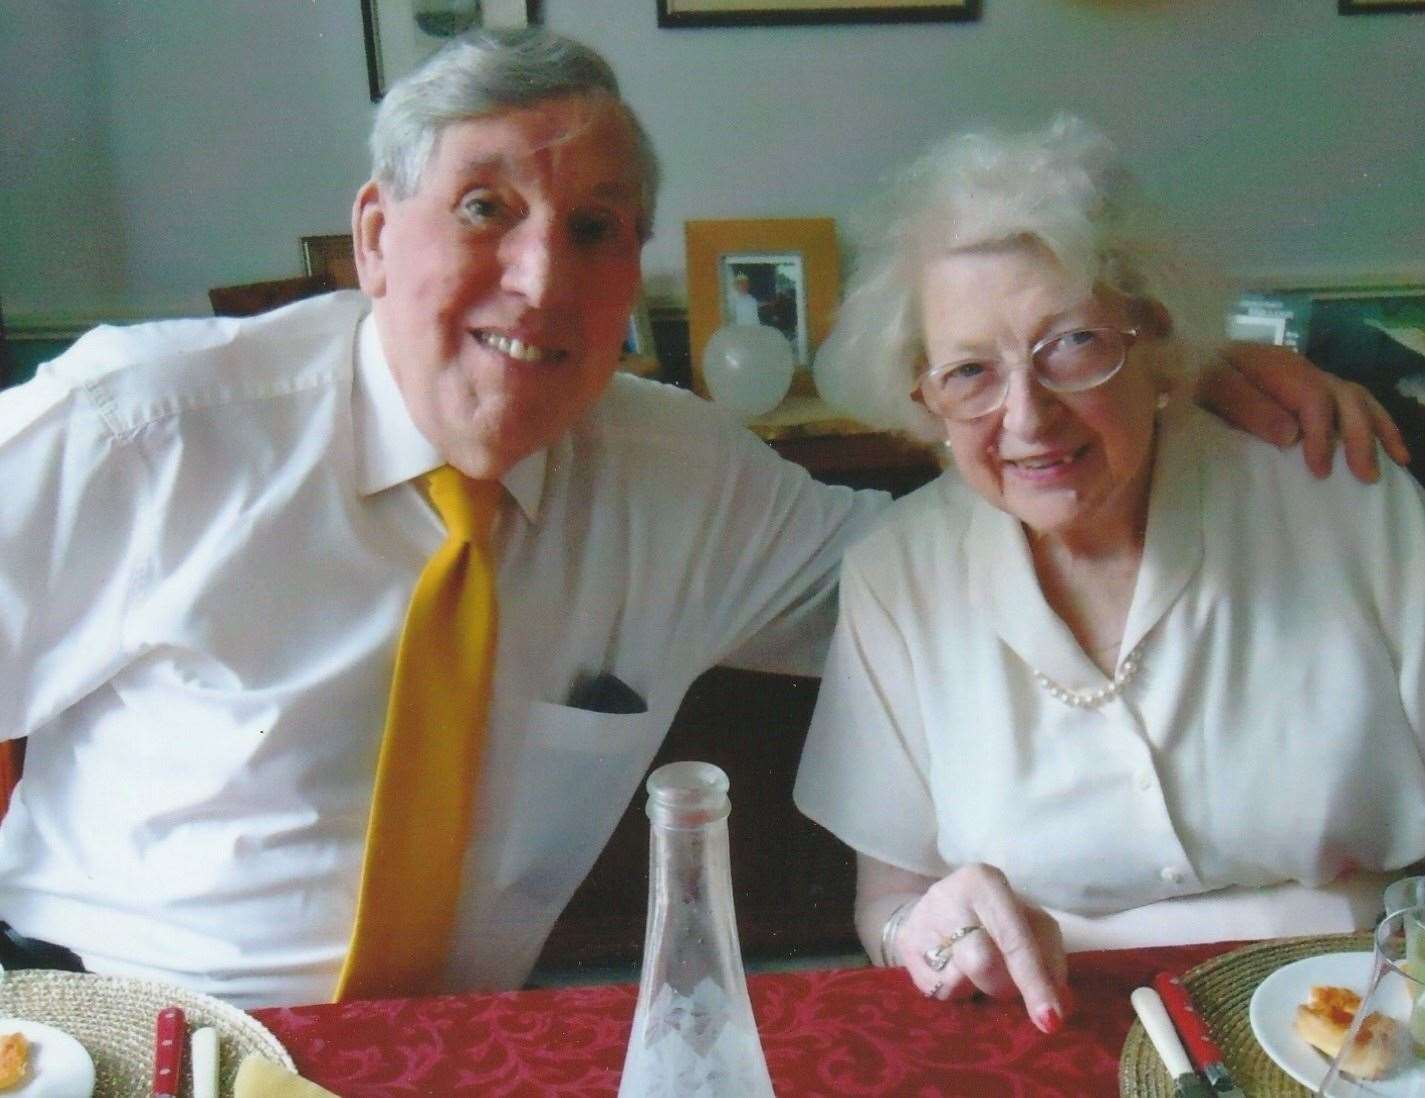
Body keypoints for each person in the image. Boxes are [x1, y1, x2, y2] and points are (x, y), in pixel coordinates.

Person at [0, 33, 1402, 1009]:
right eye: (487, 207)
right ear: (375, 235)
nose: (544, 275)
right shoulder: (144, 430)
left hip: (462, 1047)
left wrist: (1170, 372)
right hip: (123, 1038)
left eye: (599, 228)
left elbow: (962, 553)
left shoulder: (677, 474)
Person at [794, 116, 1425, 1035]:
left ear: (1154, 339)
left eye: (1073, 347)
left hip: (1358, 1011)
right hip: (1052, 1023)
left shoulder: (1338, 496)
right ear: (920, 396)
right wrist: (927, 932)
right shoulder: (897, 577)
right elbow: (889, 904)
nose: (1027, 418)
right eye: (969, 371)